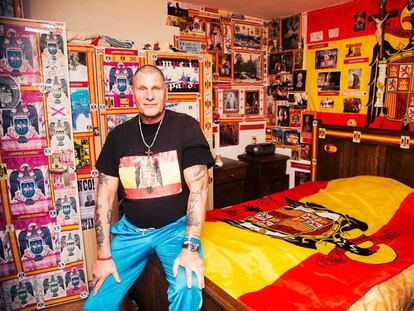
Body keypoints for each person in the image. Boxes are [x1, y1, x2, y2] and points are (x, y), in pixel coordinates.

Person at [84, 65, 214, 311]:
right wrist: (102, 255)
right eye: (142, 88)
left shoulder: (186, 127)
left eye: (156, 88)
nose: (150, 95)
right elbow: (103, 200)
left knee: (188, 285)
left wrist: (190, 248)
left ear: (166, 91)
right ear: (133, 92)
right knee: (96, 304)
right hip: (131, 232)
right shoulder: (118, 137)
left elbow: (199, 189)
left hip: (174, 231)